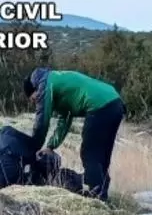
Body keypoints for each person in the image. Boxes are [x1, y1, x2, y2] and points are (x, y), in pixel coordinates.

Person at [24, 67, 125, 202]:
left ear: (35, 89)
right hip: (115, 102)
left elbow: (42, 121)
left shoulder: (45, 84)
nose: (36, 103)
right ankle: (102, 194)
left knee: (89, 153)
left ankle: (96, 198)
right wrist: (50, 146)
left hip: (99, 106)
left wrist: (31, 148)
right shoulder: (57, 81)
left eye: (34, 99)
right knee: (102, 154)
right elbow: (64, 121)